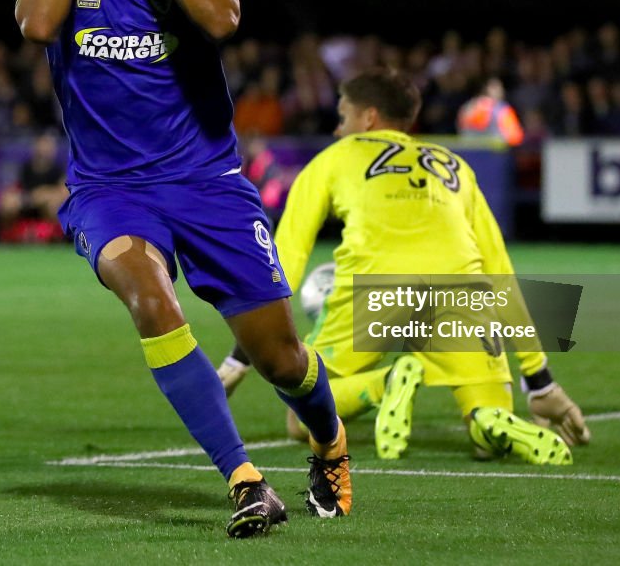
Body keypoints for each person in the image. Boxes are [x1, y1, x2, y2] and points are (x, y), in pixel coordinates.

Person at [14, 0, 349, 537]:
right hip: (110, 190)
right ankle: (246, 479)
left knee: (281, 359)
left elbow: (224, 17)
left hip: (207, 182)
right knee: (146, 290)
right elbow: (38, 22)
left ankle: (329, 439)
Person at [218, 69, 590, 462]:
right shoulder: (454, 166)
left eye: (342, 118)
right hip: (461, 293)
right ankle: (488, 422)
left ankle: (386, 383)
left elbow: (284, 261)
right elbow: (499, 269)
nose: (337, 131)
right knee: (487, 424)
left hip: (375, 291)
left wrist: (240, 358)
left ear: (369, 118)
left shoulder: (333, 159)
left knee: (303, 415)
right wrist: (539, 380)